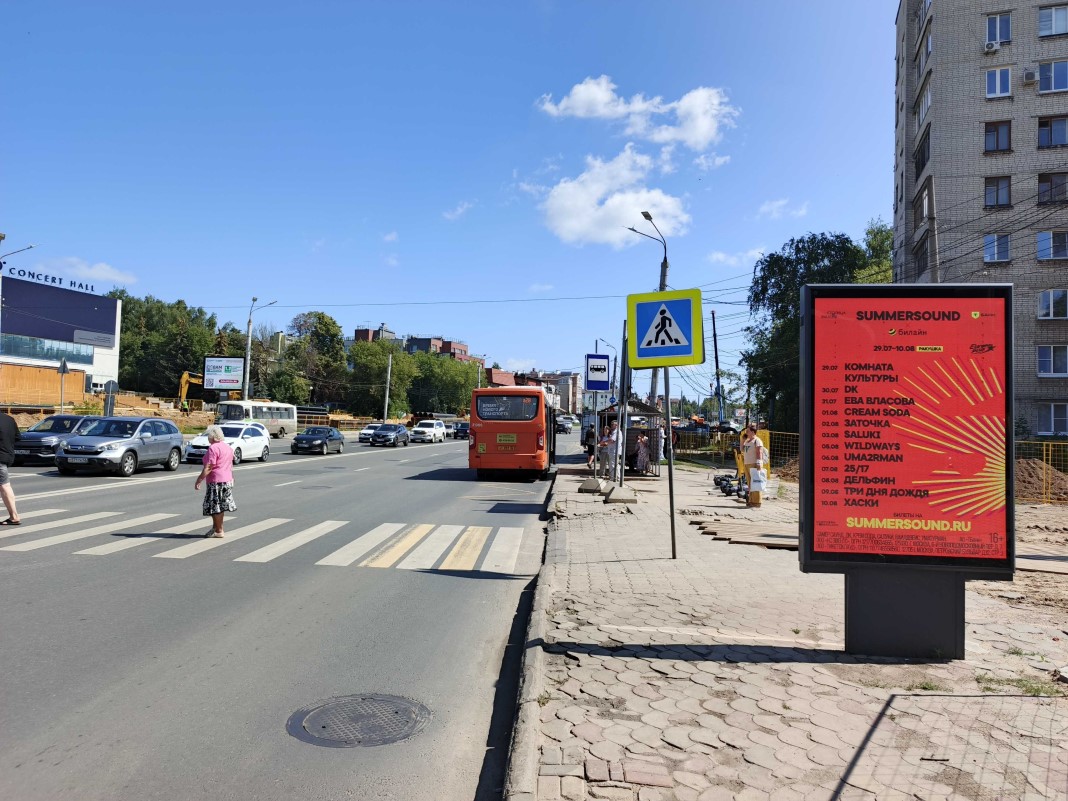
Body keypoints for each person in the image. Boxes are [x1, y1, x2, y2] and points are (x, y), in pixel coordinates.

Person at [194, 425, 236, 537]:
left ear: (212, 437)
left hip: (216, 481)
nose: (208, 438)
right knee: (219, 506)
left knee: (215, 506)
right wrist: (232, 478)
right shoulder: (228, 447)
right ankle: (216, 528)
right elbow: (230, 465)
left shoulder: (213, 448)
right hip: (227, 480)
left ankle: (219, 530)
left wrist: (199, 480)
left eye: (209, 436)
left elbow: (209, 467)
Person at [0, 411, 22, 525]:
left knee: (4, 486)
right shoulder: (9, 419)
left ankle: (14, 516)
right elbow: (17, 437)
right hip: (8, 455)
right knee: (4, 485)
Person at [741, 423, 767, 508]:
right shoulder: (747, 441)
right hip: (747, 463)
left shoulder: (757, 440)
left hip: (754, 463)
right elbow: (742, 449)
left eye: (748, 431)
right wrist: (742, 440)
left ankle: (757, 502)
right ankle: (751, 500)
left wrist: (759, 462)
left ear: (753, 432)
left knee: (756, 482)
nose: (746, 432)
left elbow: (759, 452)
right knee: (750, 484)